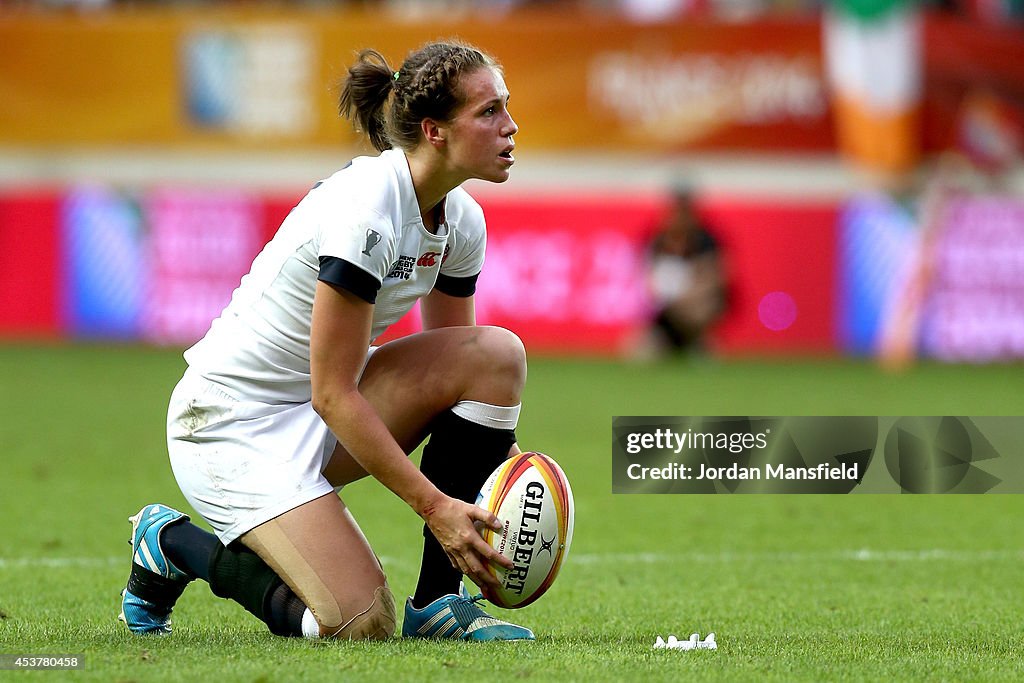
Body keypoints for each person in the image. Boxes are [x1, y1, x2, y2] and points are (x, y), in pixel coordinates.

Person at [119, 40, 535, 642]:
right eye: (489, 111)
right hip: (228, 425)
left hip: (319, 408)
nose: (510, 125)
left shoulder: (462, 219)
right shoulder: (365, 208)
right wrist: (436, 506)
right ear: (435, 131)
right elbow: (333, 394)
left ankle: (440, 604)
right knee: (358, 623)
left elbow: (457, 372)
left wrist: (493, 474)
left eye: (506, 107)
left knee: (494, 356)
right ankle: (173, 544)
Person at [640, 187, 727, 357]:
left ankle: (698, 341)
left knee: (700, 312)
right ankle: (666, 340)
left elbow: (718, 277)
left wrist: (688, 297)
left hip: (696, 307)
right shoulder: (659, 240)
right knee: (642, 350)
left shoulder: (705, 241)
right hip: (666, 310)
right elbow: (648, 276)